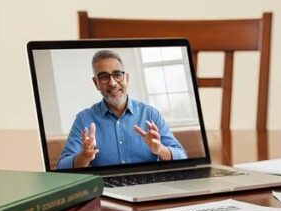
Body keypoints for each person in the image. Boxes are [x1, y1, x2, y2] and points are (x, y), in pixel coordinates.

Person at [56, 50, 186, 169]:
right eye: (104, 77)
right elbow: (62, 166)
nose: (112, 83)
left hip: (150, 185)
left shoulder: (150, 114)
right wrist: (84, 156)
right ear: (96, 83)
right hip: (105, 189)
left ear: (126, 78)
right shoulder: (84, 119)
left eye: (117, 74)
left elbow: (182, 156)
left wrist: (160, 149)